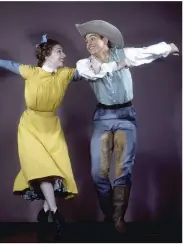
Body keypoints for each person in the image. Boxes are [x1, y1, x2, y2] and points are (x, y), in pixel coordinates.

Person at [0, 33, 128, 235]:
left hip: (52, 127)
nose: (64, 54)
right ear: (47, 54)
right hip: (30, 126)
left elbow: (92, 73)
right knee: (42, 169)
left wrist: (115, 64)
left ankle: (44, 214)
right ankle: (55, 212)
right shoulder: (30, 72)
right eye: (59, 51)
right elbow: (6, 63)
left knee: (53, 173)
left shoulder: (65, 74)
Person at [75, 20, 179, 233]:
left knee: (124, 170)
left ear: (105, 40)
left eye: (93, 38)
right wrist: (116, 66)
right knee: (98, 174)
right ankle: (109, 213)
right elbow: (97, 73)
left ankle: (118, 218)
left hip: (125, 116)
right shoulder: (83, 64)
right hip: (102, 118)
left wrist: (169, 48)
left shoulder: (123, 54)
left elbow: (146, 52)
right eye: (86, 40)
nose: (89, 43)